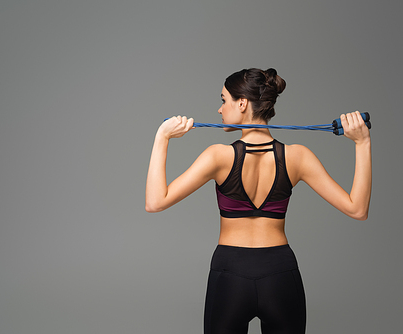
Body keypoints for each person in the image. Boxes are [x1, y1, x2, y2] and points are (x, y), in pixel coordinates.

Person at [145, 68, 372, 334]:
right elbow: (358, 209)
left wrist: (162, 138)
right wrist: (362, 143)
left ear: (242, 103)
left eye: (223, 100)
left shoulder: (217, 156)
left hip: (229, 274)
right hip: (280, 274)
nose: (220, 110)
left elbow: (155, 202)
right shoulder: (298, 157)